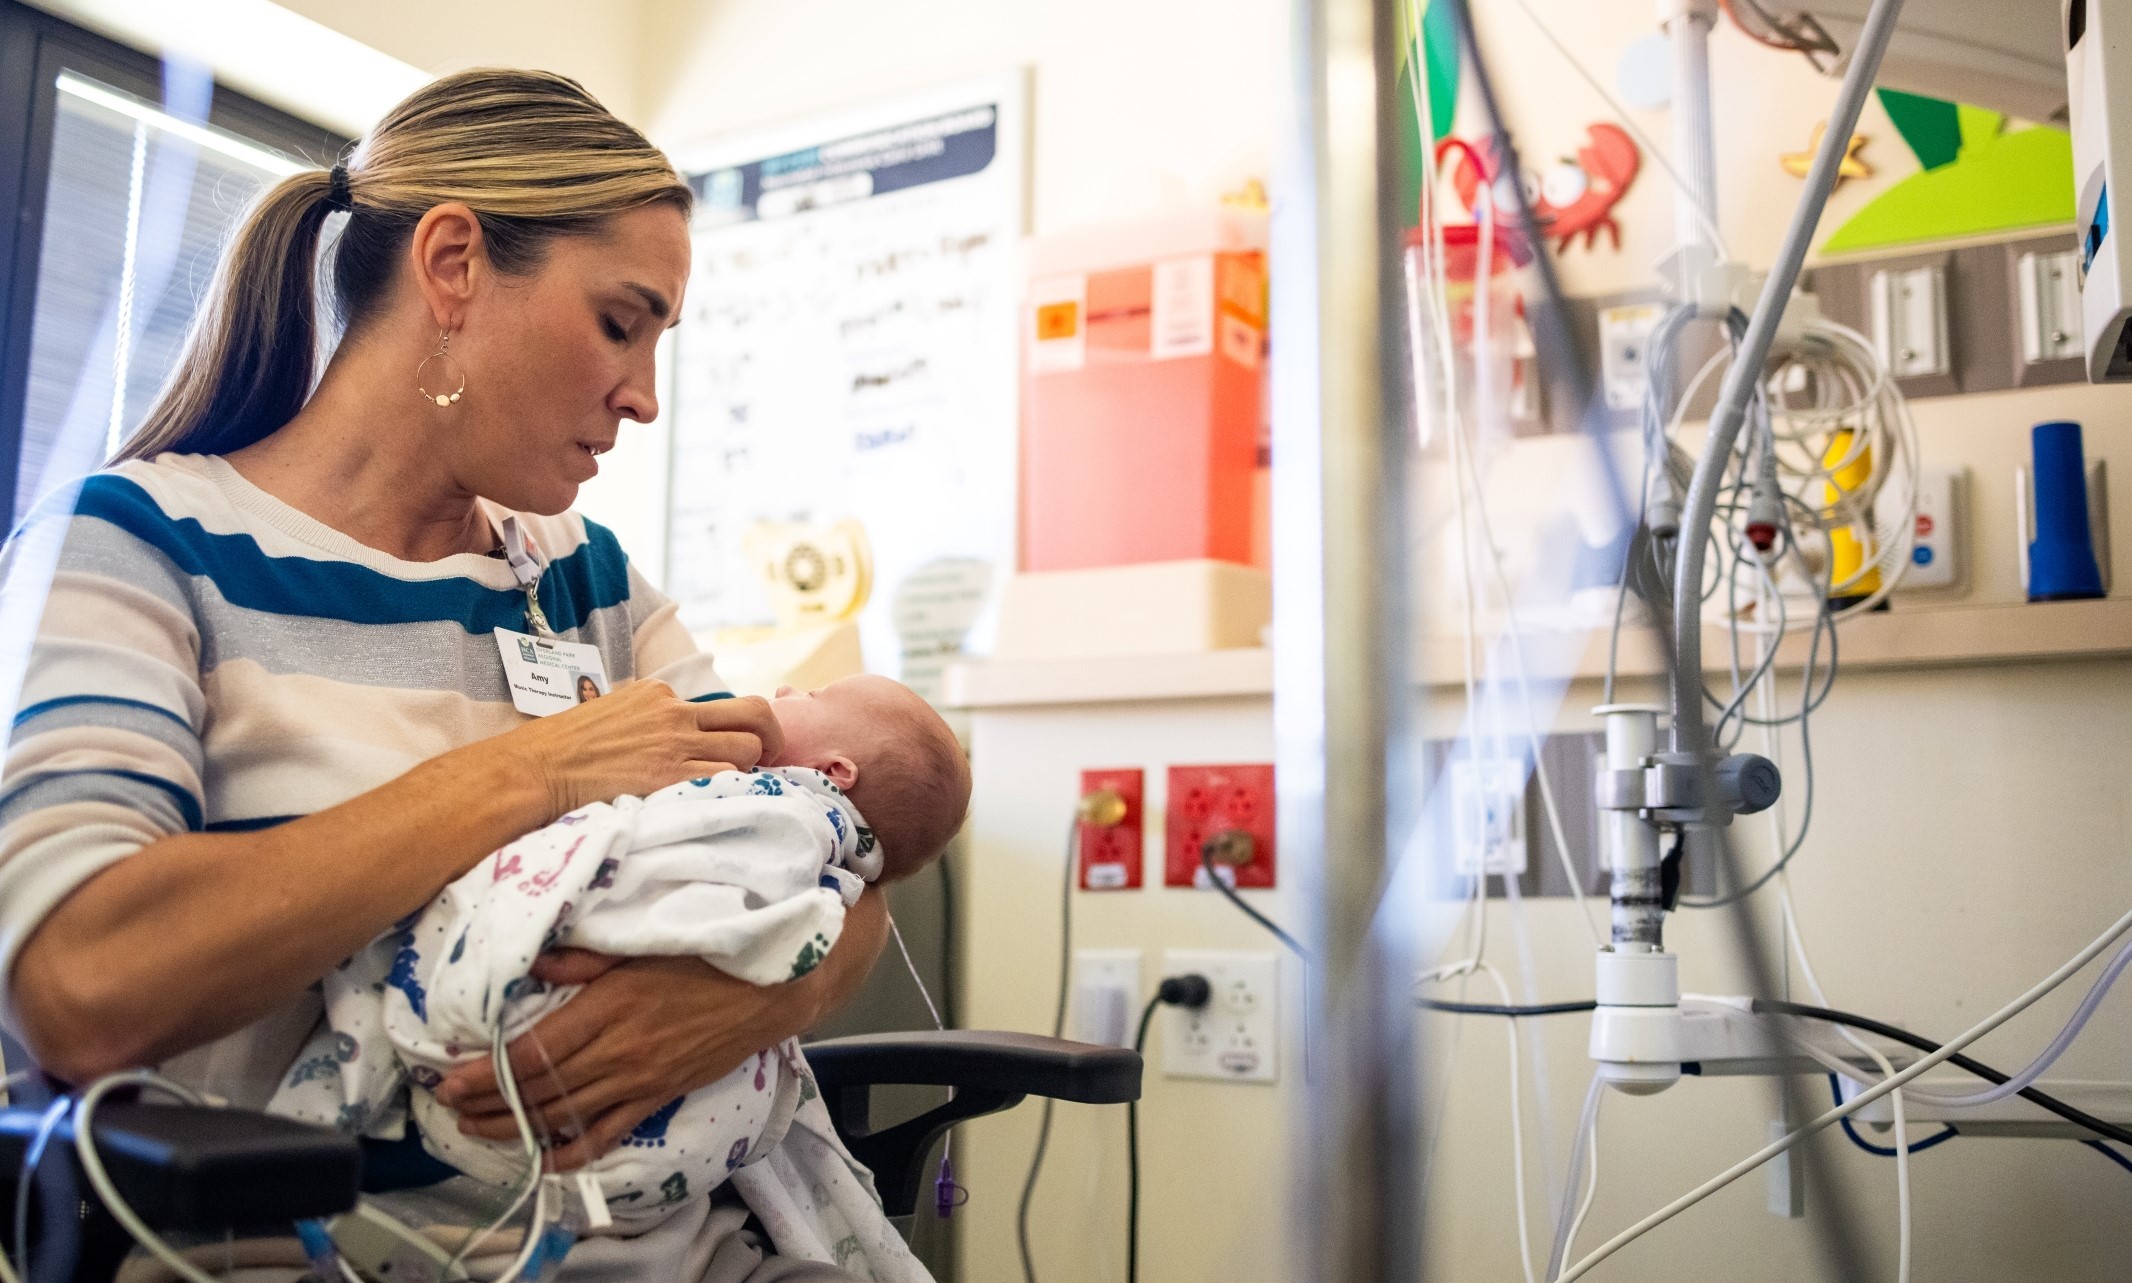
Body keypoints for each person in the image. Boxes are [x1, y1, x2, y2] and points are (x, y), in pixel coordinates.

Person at [0, 68, 897, 1279]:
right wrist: (533, 770)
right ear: (455, 265)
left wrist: (754, 1000)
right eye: (620, 322)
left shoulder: (593, 586)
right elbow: (82, 980)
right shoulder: (133, 547)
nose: (641, 396)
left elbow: (832, 851)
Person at [276, 674, 971, 1266]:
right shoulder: (806, 818)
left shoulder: (786, 809)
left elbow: (841, 910)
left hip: (673, 1217)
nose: (785, 688)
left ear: (836, 773)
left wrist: (743, 993)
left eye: (814, 693)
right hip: (462, 1191)